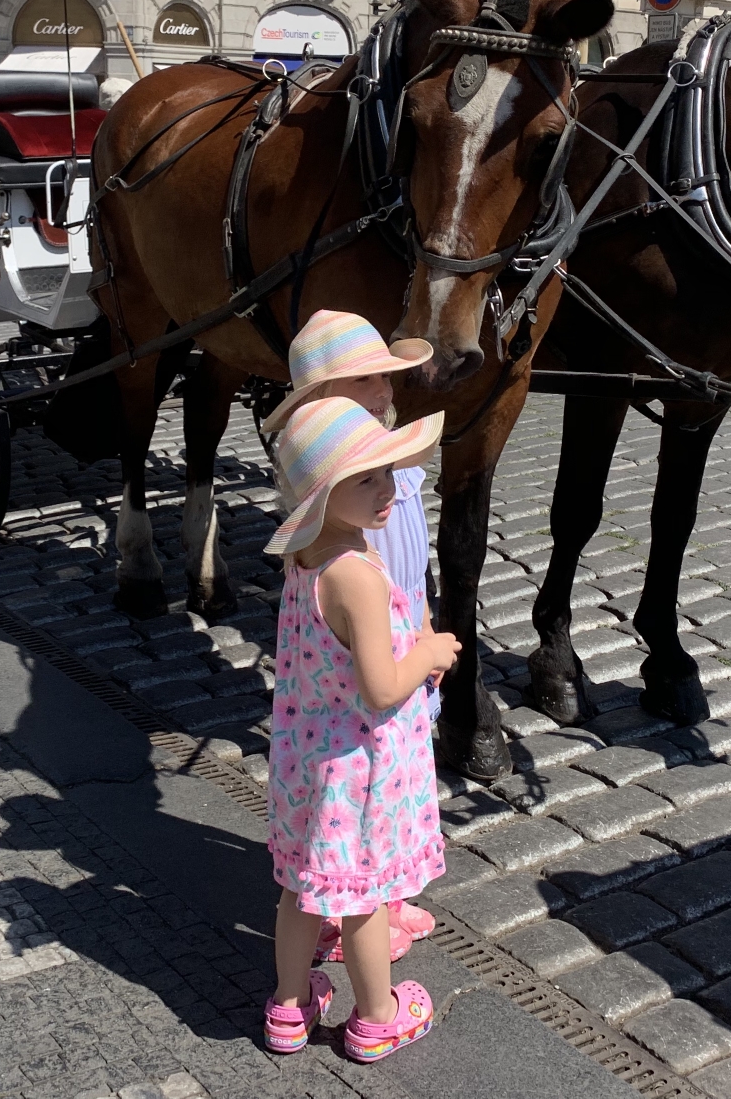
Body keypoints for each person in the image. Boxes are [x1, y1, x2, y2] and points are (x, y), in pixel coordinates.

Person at [262, 396, 456, 1063]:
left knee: (302, 888)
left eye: (389, 471)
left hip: (305, 759)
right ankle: (378, 1015)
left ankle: (288, 1007)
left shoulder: (305, 555)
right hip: (361, 768)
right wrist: (428, 654)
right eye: (366, 477)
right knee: (364, 897)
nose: (390, 487)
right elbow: (379, 686)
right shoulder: (359, 577)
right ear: (322, 491)